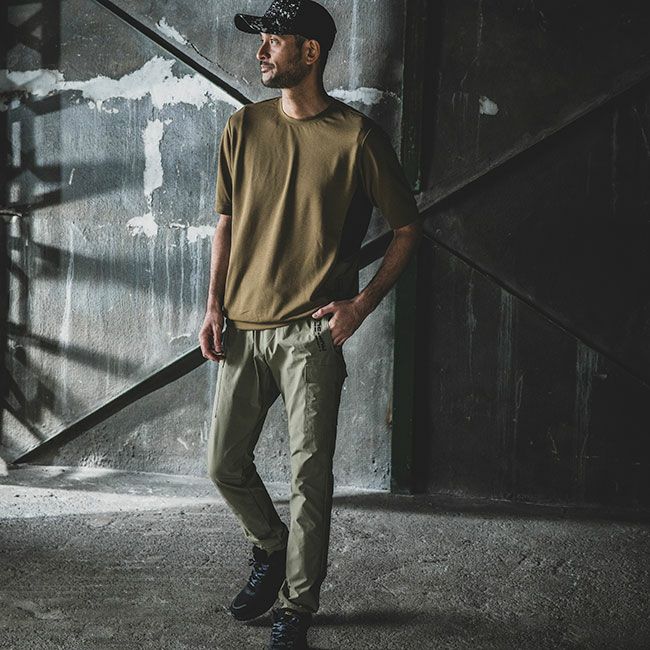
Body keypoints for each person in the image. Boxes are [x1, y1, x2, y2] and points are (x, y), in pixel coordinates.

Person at [198, 1, 424, 647]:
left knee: (309, 478)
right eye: (263, 42)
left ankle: (296, 607)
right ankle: (270, 547)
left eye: (274, 41)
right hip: (242, 328)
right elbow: (226, 223)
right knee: (223, 464)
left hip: (310, 335)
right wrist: (213, 307)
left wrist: (361, 303)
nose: (261, 52)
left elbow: (408, 229)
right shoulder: (243, 126)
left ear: (310, 52)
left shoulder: (356, 138)